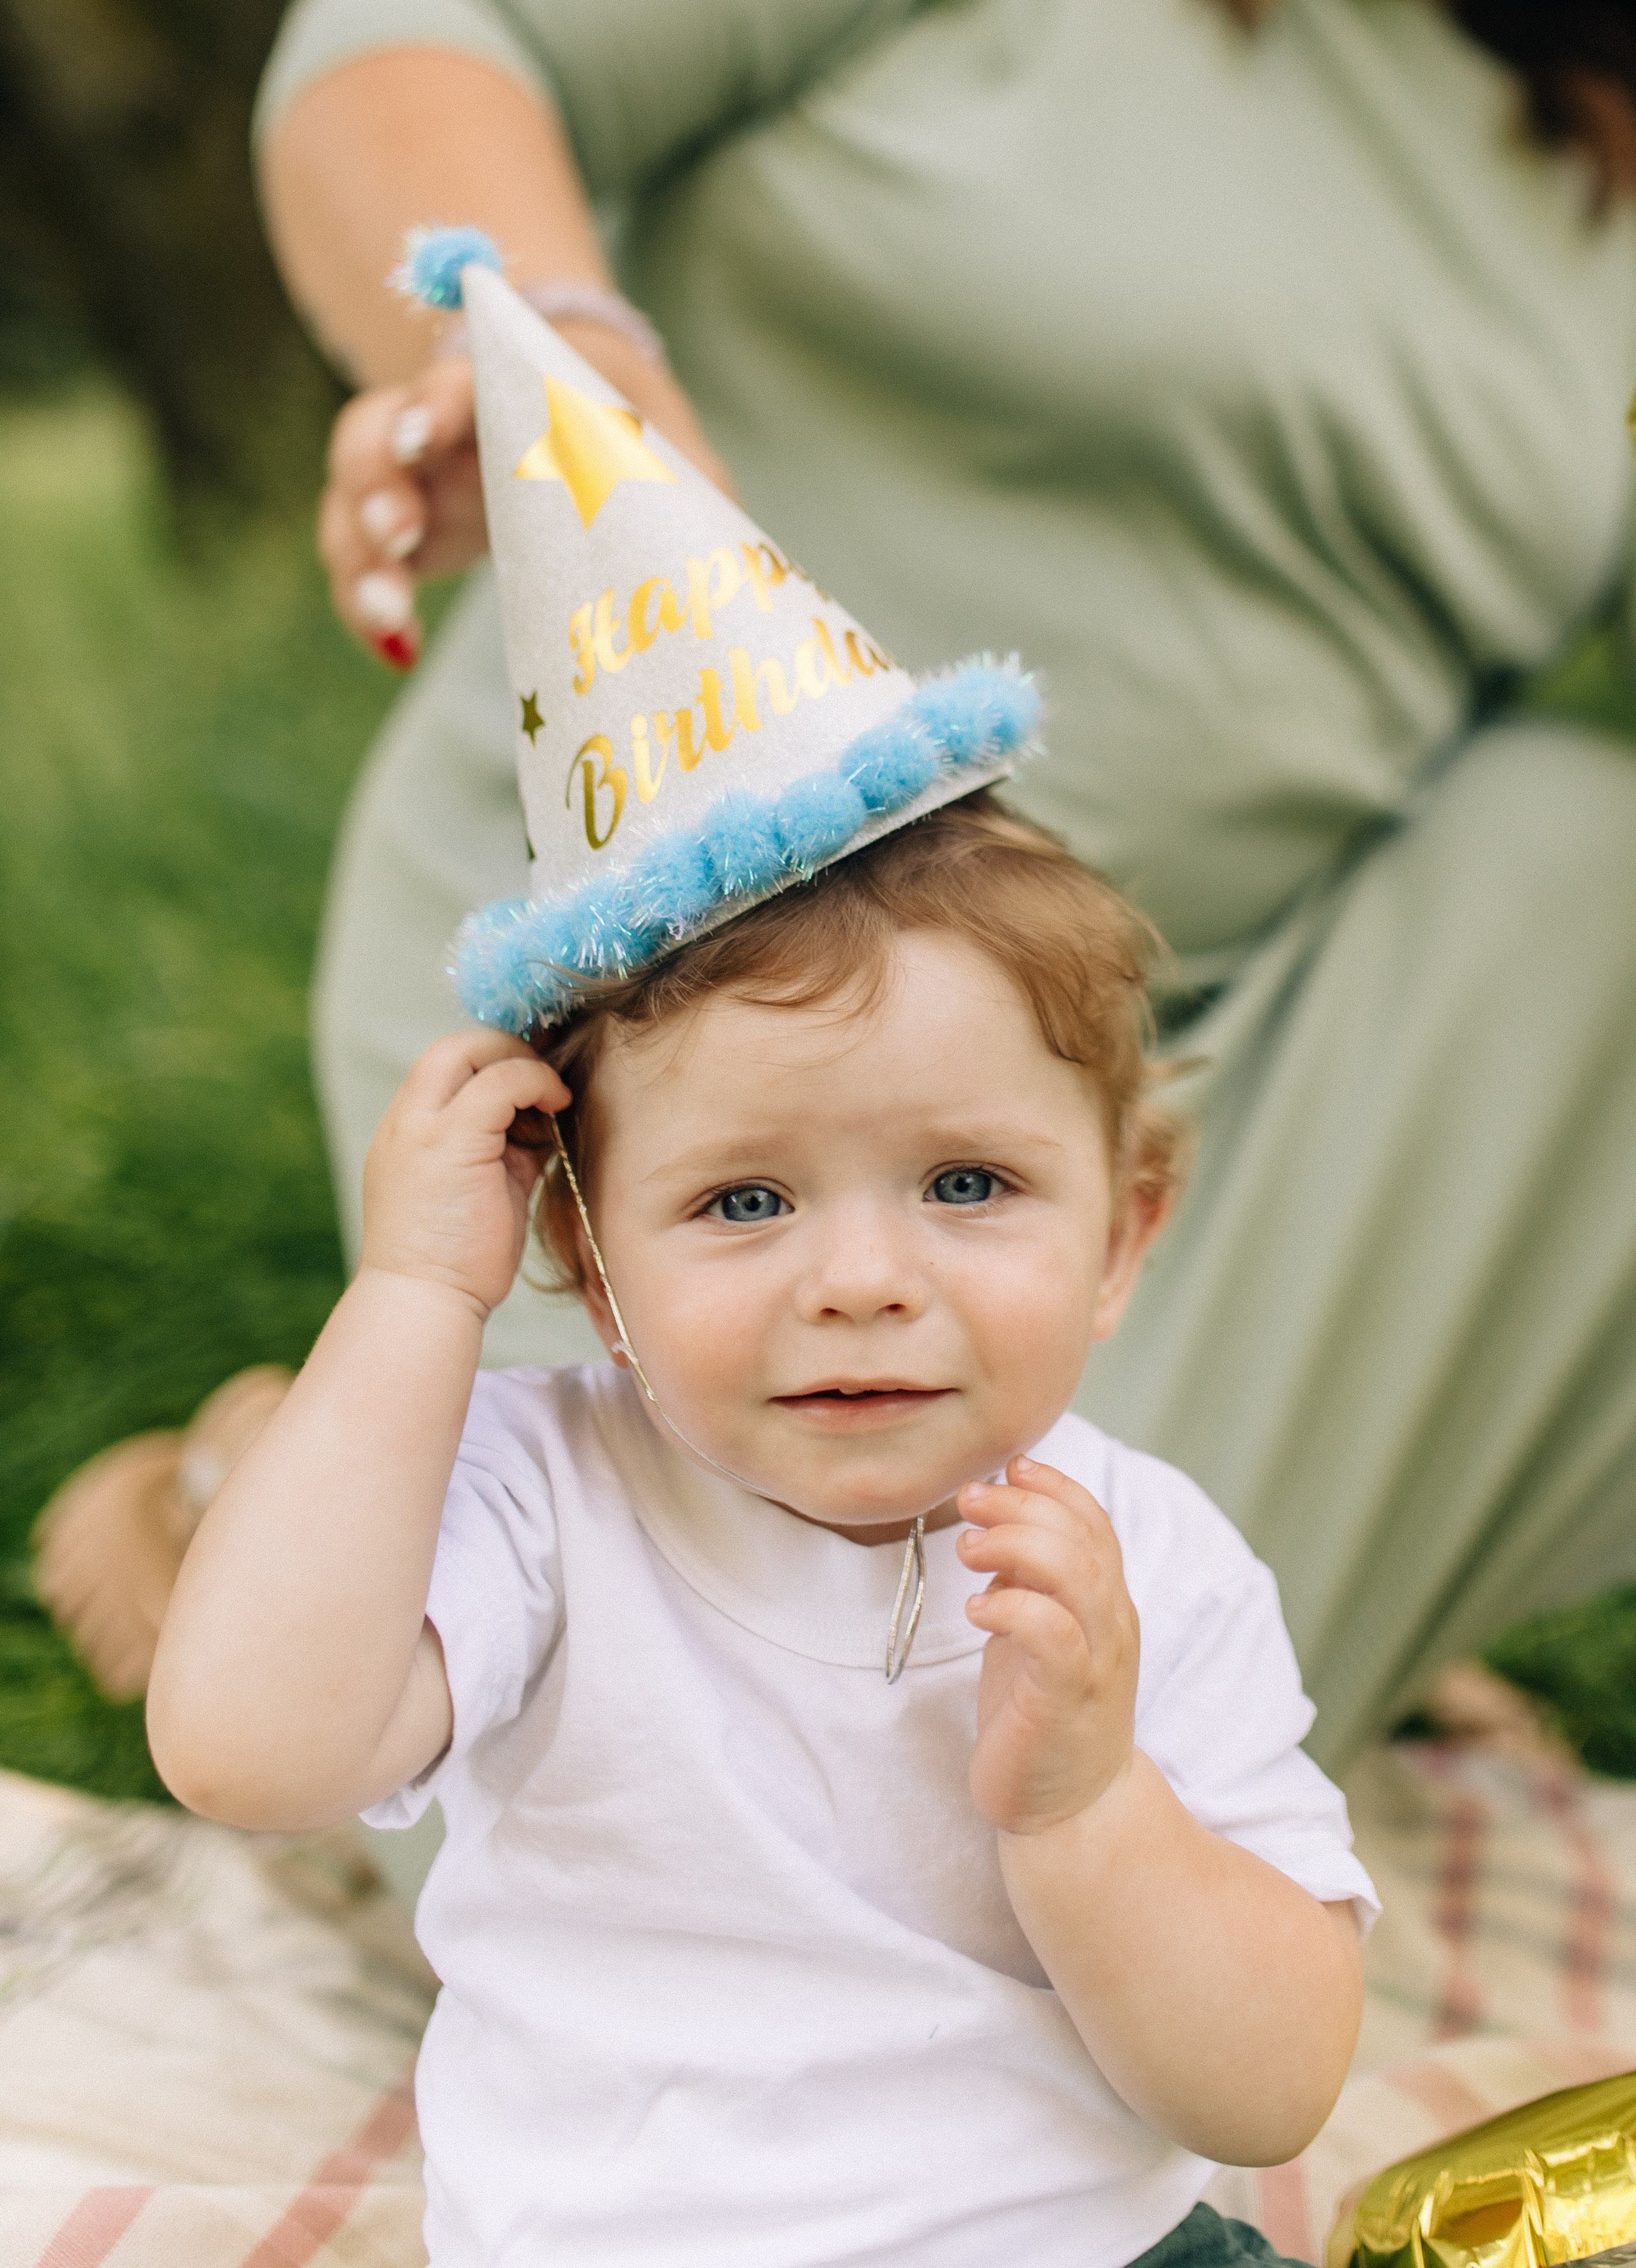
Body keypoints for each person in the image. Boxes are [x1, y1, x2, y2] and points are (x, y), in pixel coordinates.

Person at [37, 0, 1636, 1772]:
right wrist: (561, 350)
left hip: (1166, 1086)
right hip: (667, 1012)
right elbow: (418, 43)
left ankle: (1303, 1576)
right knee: (764, 1782)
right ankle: (339, 1509)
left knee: (1593, 858)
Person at [146, 789, 1377, 2268]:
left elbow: (1270, 2091)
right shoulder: (540, 1494)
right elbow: (244, 1749)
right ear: (589, 1265)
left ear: (1118, 1235)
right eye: (743, 1199)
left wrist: (1088, 1806)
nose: (859, 1277)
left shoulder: (1143, 1559)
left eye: (965, 1183)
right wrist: (413, 1293)